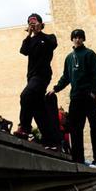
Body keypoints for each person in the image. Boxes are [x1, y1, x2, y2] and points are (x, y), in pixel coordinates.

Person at [49, 29, 96, 165]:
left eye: (80, 37)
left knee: (94, 127)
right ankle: (78, 158)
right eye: (75, 37)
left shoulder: (90, 54)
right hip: (75, 97)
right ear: (72, 39)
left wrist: (94, 92)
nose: (77, 39)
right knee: (75, 129)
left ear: (83, 39)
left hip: (89, 97)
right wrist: (56, 88)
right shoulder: (69, 58)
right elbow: (66, 77)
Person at [13, 13, 61, 150]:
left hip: (42, 75)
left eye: (34, 22)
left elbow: (52, 45)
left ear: (40, 23)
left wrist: (39, 32)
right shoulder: (30, 40)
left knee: (25, 95)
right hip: (32, 77)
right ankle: (51, 141)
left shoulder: (49, 37)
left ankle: (25, 128)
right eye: (30, 22)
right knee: (39, 110)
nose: (32, 24)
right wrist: (29, 35)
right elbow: (23, 51)